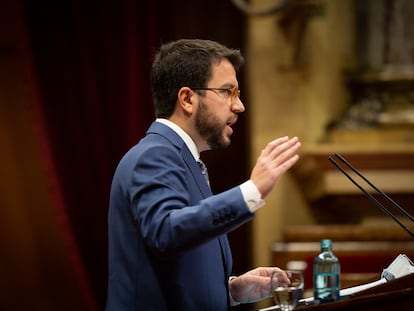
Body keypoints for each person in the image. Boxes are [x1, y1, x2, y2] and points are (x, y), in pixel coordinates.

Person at [106, 38, 302, 311]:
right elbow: (166, 231)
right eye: (227, 91)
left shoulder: (183, 159)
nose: (239, 106)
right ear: (187, 99)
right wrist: (252, 190)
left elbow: (180, 261)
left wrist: (230, 290)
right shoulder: (154, 155)